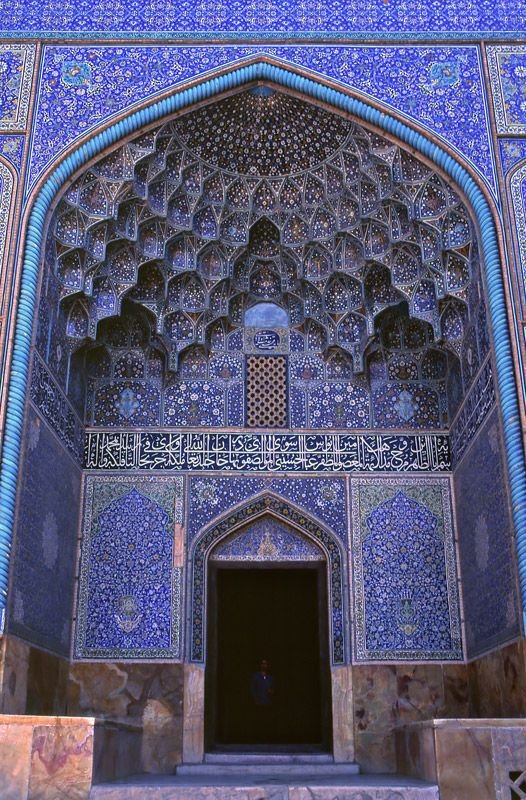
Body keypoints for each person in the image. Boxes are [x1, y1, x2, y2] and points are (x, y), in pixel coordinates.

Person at [250, 658, 274, 743]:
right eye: (262, 664)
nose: (264, 665)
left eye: (266, 664)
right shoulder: (255, 676)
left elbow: (273, 688)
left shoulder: (270, 677)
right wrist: (255, 699)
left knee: (267, 720)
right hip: (258, 702)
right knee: (258, 720)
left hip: (267, 702)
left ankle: (267, 737)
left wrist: (271, 692)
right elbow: (252, 688)